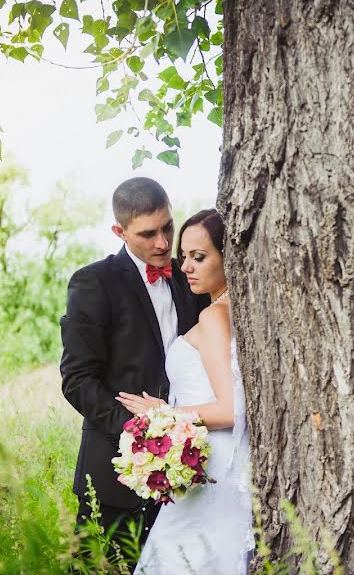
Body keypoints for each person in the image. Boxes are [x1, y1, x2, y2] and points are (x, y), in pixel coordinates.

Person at [60, 177, 210, 562]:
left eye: (167, 228)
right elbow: (77, 380)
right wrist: (137, 434)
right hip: (115, 474)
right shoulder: (94, 282)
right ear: (119, 231)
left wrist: (179, 439)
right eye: (148, 234)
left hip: (187, 475)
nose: (162, 243)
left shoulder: (189, 277)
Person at [117, 209, 254, 574]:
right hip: (218, 459)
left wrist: (164, 415)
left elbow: (230, 409)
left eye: (200, 257)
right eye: (185, 257)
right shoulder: (229, 311)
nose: (187, 267)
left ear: (229, 258)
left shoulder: (213, 317)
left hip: (215, 465)